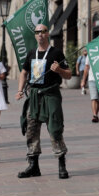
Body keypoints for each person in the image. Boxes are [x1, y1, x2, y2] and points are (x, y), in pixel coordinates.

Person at [15, 24, 71, 179]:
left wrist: (59, 70)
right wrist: (20, 90)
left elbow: (69, 74)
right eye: (37, 32)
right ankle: (33, 166)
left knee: (55, 129)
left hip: (51, 95)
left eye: (43, 31)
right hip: (34, 96)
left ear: (48, 34)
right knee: (31, 129)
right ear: (35, 35)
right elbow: (24, 72)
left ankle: (61, 165)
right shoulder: (32, 53)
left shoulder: (56, 53)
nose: (40, 34)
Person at [81, 56, 99, 123]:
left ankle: (96, 115)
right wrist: (83, 80)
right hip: (92, 79)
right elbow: (86, 67)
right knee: (94, 98)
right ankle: (94, 115)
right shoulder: (90, 54)